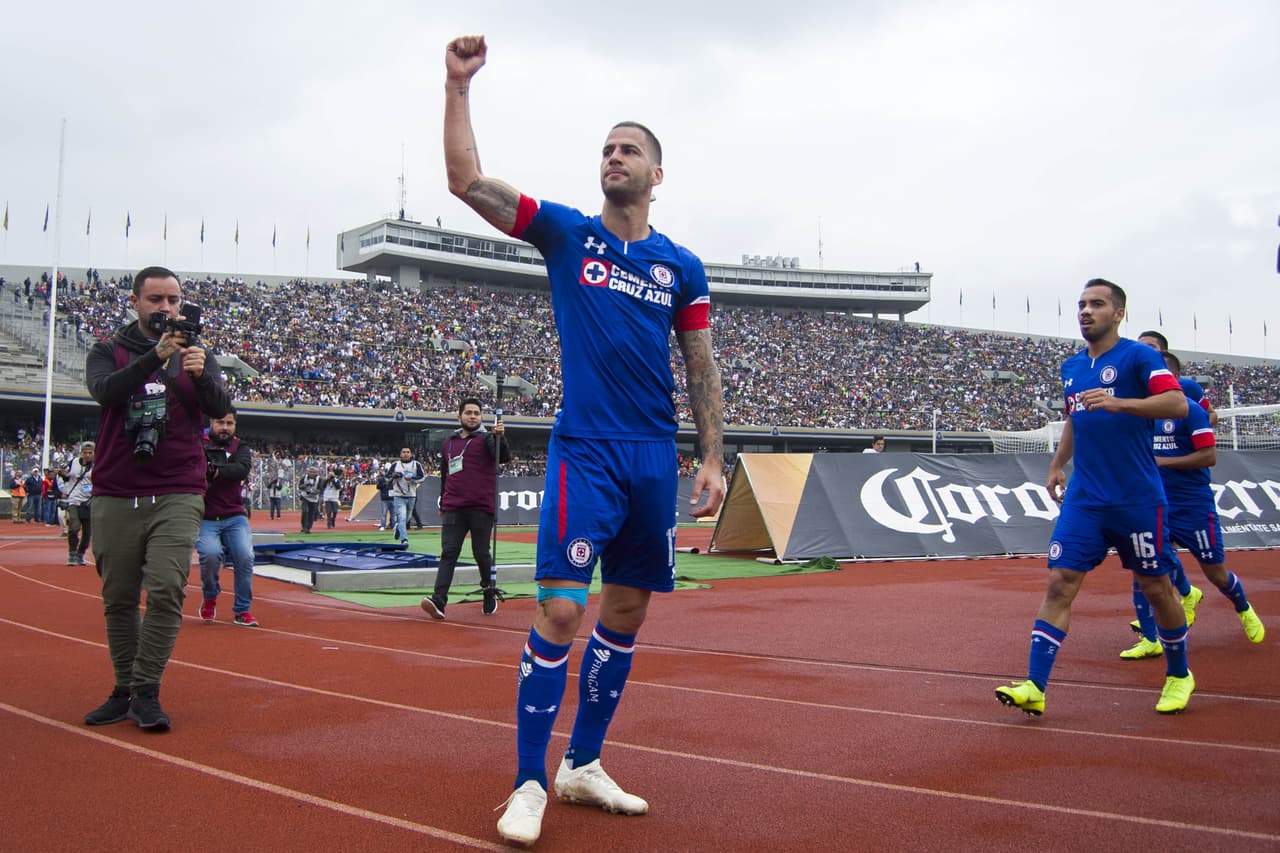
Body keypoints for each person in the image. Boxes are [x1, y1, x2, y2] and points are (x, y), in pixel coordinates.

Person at [444, 34, 725, 846]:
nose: (614, 156)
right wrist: (457, 86)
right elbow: (466, 182)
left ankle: (583, 763)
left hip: (652, 457)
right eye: (605, 147)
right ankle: (530, 779)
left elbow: (699, 362)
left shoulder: (682, 266)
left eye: (629, 148)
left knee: (627, 608)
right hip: (587, 450)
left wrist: (710, 454)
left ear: (656, 174)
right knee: (562, 607)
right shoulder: (568, 234)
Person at [995, 279, 1193, 717]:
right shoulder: (1071, 367)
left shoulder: (1140, 356)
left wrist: (1120, 403)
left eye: (1097, 304)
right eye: (1082, 304)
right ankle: (1036, 685)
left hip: (1137, 497)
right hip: (1085, 497)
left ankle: (1179, 675)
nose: (1086, 311)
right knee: (1059, 582)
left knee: (1157, 588)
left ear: (1118, 313)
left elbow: (1177, 405)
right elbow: (1075, 420)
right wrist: (1056, 464)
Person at [82, 265, 231, 732]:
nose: (166, 308)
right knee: (119, 597)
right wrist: (154, 358)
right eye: (155, 300)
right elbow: (104, 392)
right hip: (116, 489)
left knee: (166, 588)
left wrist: (202, 374)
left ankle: (146, 689)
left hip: (178, 489)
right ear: (135, 302)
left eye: (173, 300)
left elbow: (221, 409)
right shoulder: (109, 351)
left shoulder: (199, 354)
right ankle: (124, 688)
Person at [1121, 351, 1265, 658]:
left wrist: (1164, 462)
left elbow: (1209, 456)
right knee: (1144, 567)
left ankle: (1243, 606)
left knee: (1216, 572)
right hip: (1157, 503)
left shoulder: (1191, 411)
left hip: (1193, 505)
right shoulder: (1146, 415)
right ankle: (1150, 638)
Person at [421, 396, 510, 620]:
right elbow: (445, 474)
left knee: (481, 553)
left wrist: (501, 438)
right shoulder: (449, 442)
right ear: (459, 415)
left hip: (481, 506)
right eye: (468, 413)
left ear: (481, 417)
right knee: (448, 553)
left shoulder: (489, 438)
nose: (472, 416)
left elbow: (504, 458)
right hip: (453, 507)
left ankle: (488, 590)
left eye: (476, 413)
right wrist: (443, 500)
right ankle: (439, 599)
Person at [195, 408, 259, 627]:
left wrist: (216, 472)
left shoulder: (240, 446)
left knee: (245, 557)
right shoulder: (198, 442)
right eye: (220, 422)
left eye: (229, 423)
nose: (225, 428)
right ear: (211, 423)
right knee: (210, 555)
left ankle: (242, 610)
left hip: (234, 514)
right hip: (206, 516)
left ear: (235, 426)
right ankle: (210, 596)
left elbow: (241, 469)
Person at [59, 441, 95, 565]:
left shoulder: (98, 465)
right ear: (81, 453)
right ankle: (72, 553)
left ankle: (81, 553)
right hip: (74, 500)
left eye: (90, 453)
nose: (87, 455)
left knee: (87, 532)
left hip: (89, 501)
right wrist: (63, 474)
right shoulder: (74, 462)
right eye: (85, 452)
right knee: (74, 527)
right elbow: (66, 475)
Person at [386, 447, 425, 544]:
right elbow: (387, 477)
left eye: (407, 452)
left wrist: (412, 478)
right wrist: (393, 476)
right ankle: (404, 539)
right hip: (398, 495)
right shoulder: (395, 464)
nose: (405, 454)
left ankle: (398, 529)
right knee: (402, 517)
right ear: (400, 454)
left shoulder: (416, 464)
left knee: (407, 518)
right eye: (403, 452)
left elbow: (422, 477)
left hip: (411, 495)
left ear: (411, 454)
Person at [298, 465, 321, 533]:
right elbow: (300, 486)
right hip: (305, 497)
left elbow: (321, 489)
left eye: (313, 472)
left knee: (311, 514)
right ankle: (304, 526)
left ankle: (308, 527)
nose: (312, 473)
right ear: (308, 472)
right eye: (310, 472)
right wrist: (305, 485)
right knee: (305, 511)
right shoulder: (304, 478)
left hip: (314, 499)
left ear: (316, 473)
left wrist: (314, 492)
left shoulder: (319, 479)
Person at [375, 466, 394, 530]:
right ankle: (383, 525)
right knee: (384, 513)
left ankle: (393, 526)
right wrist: (383, 484)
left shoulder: (393, 479)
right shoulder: (381, 480)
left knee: (393, 514)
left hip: (392, 498)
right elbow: (377, 487)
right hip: (384, 498)